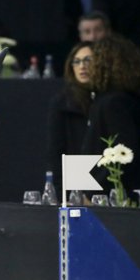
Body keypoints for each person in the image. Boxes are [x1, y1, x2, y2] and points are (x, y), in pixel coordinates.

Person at [81, 35, 140, 195]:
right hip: (130, 191)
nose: (87, 66)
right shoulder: (128, 98)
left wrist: (92, 193)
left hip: (120, 196)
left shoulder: (113, 102)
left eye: (91, 60)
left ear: (104, 64)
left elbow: (125, 150)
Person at [46, 41, 94, 192]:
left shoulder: (110, 99)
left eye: (88, 60)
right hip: (75, 181)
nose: (82, 66)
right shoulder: (62, 102)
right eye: (77, 61)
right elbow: (56, 151)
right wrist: (61, 191)